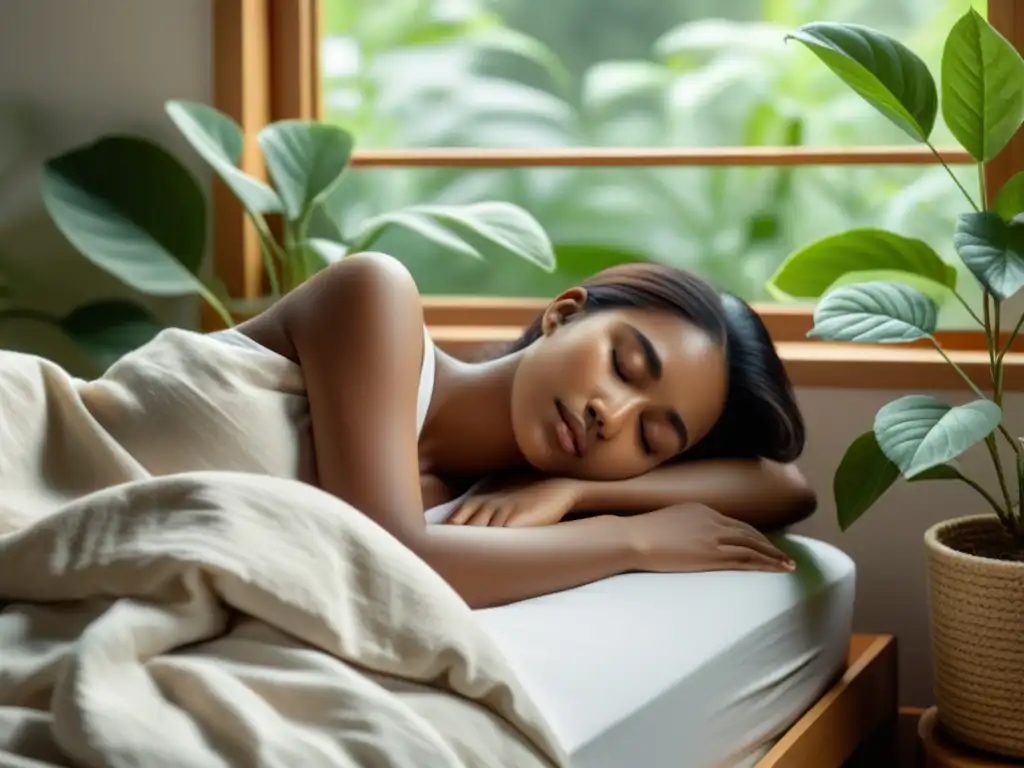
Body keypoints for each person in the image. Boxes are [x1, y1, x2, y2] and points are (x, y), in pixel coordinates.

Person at [227, 251, 815, 609]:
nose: (611, 416)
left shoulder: (484, 506)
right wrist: (633, 538)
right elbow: (389, 560)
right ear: (563, 314)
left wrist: (580, 491)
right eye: (622, 366)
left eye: (651, 438)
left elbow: (785, 487)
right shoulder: (372, 297)